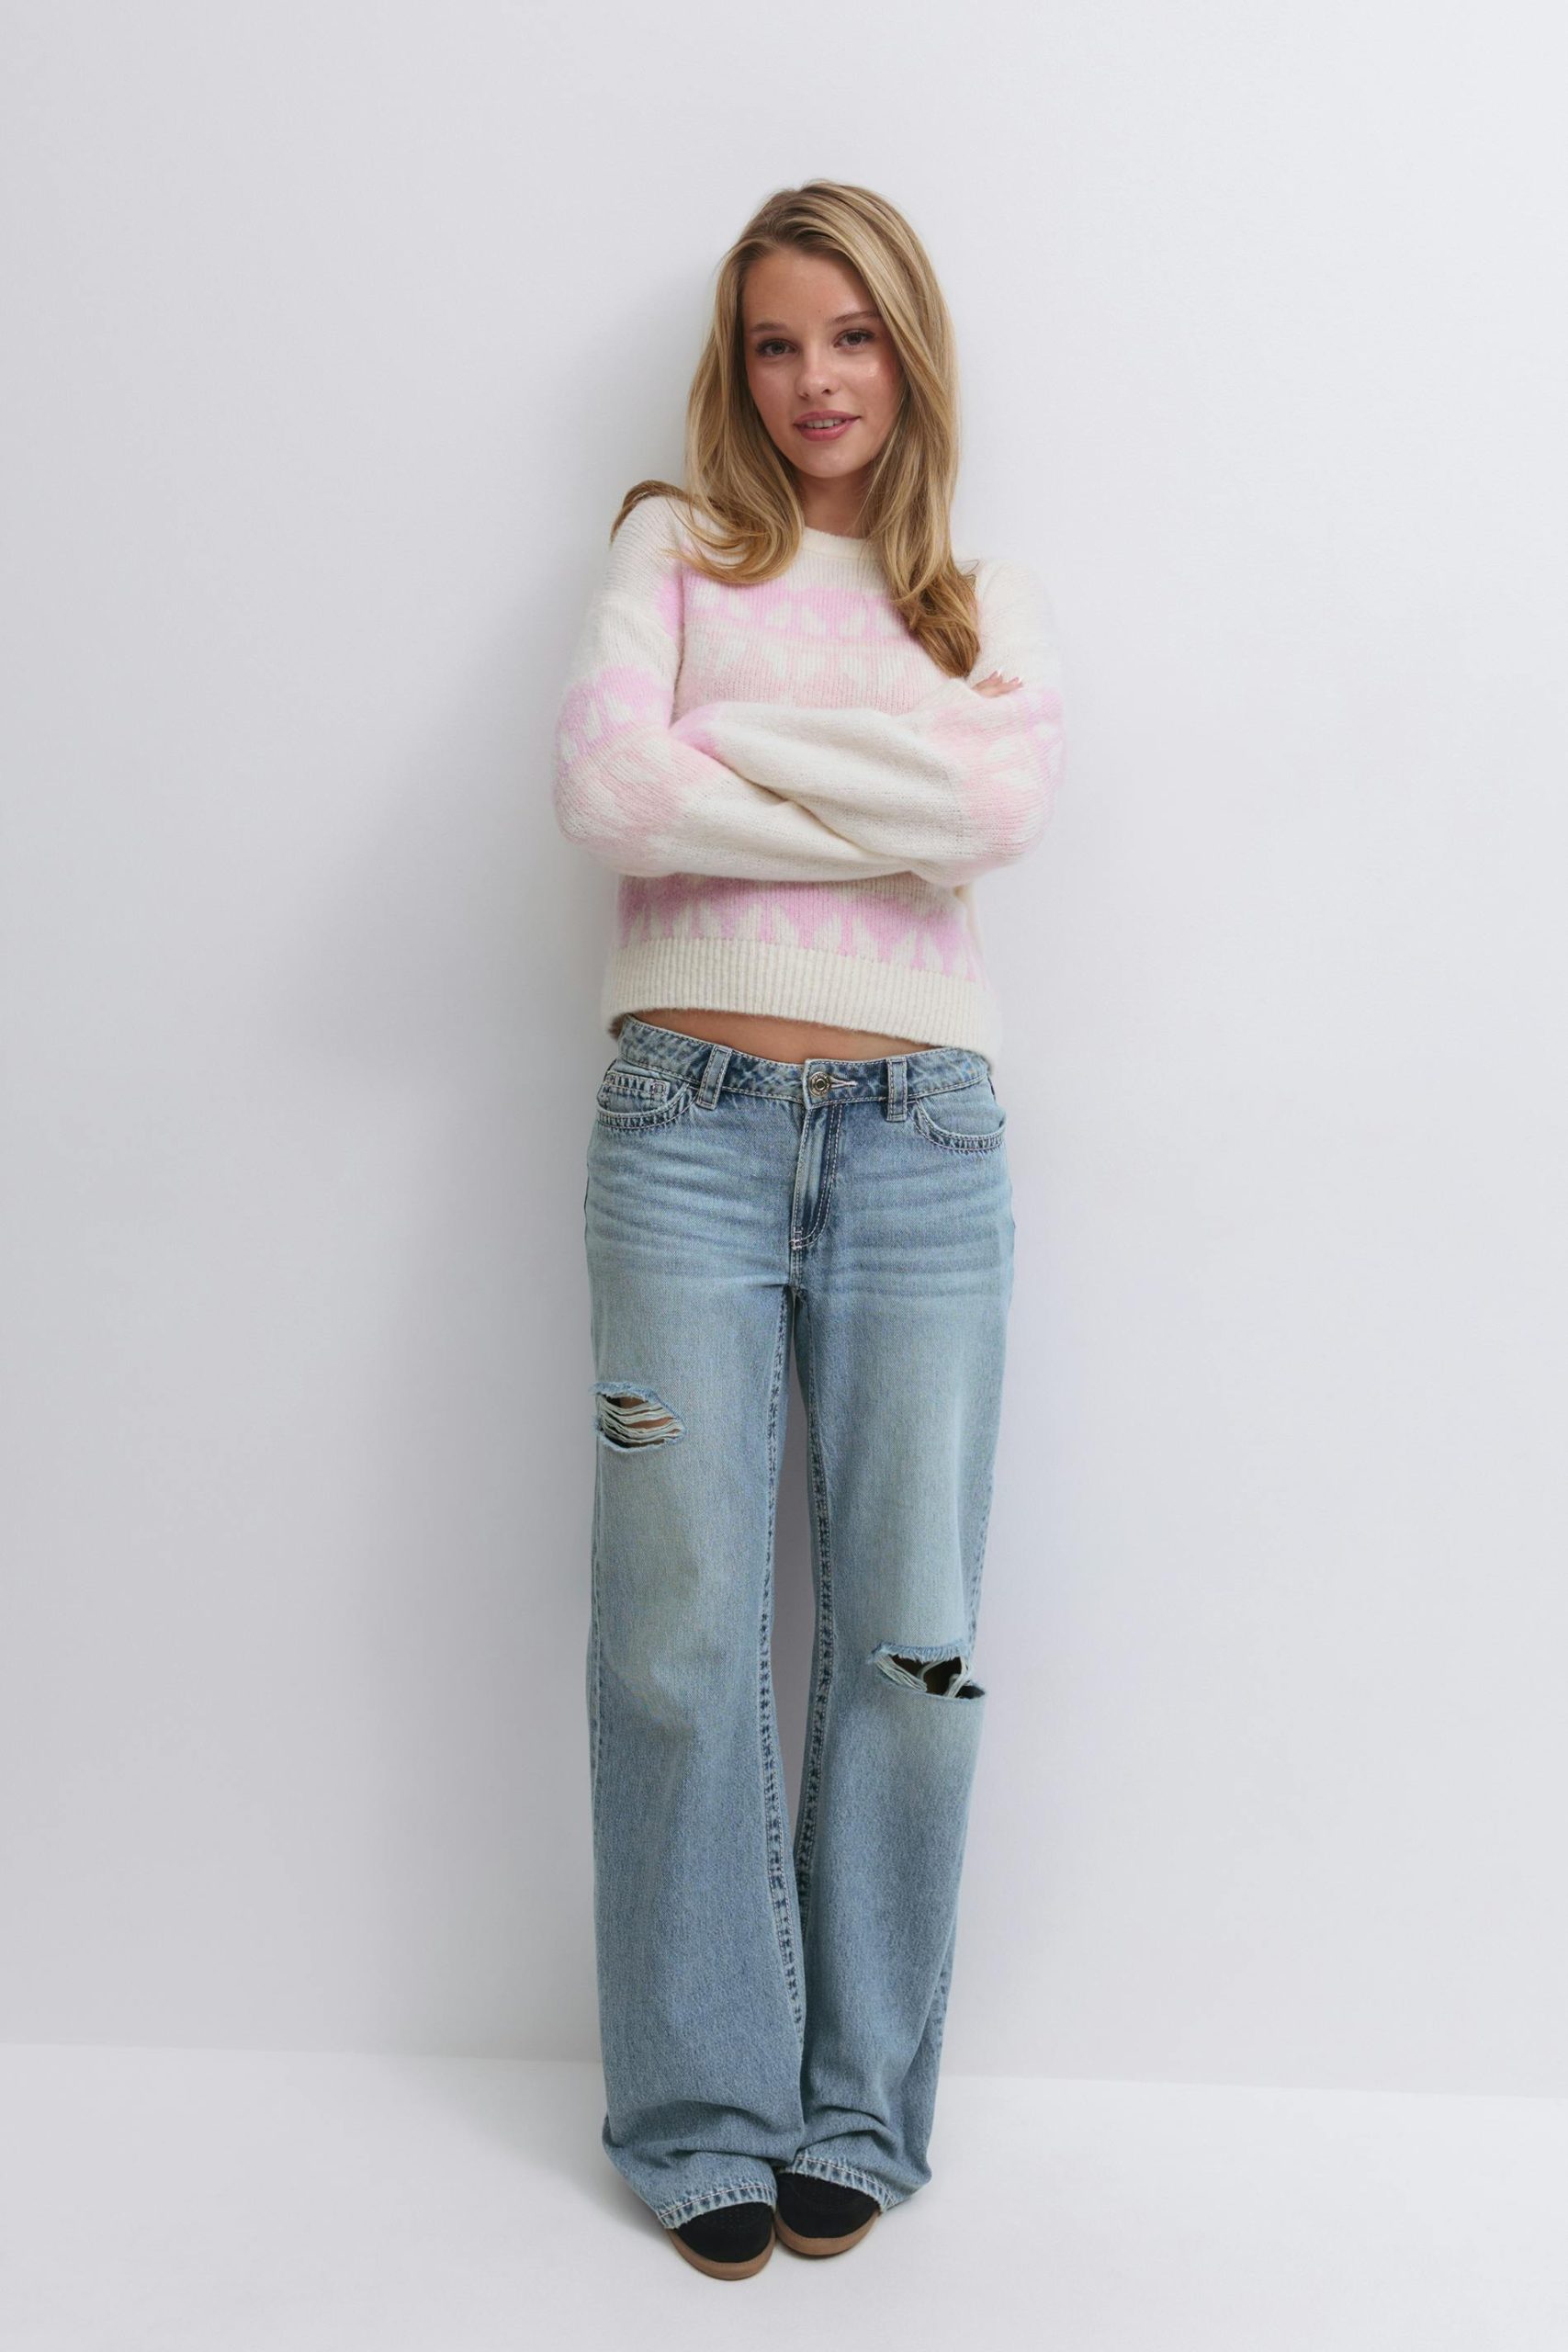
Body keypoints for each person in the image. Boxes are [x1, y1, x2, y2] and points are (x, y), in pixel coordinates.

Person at [551, 178, 1065, 2280]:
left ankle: (857, 2104)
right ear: (734, 365)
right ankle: (698, 2111)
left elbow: (994, 813)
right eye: (773, 342)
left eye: (847, 336)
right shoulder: (671, 546)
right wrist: (874, 798)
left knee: (909, 1648)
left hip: (922, 1143)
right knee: (676, 1642)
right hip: (680, 1127)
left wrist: (733, 754)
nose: (812, 380)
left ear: (905, 351)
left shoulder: (975, 601)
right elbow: (608, 796)